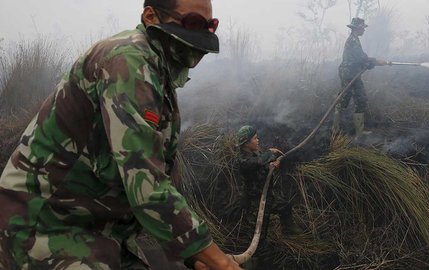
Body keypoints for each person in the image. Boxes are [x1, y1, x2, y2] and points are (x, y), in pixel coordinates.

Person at [0, 0, 241, 269]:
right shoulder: (127, 60)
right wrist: (221, 262)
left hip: (98, 230)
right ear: (151, 16)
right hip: (42, 226)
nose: (204, 35)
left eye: (210, 26)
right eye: (194, 23)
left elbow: (158, 175)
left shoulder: (157, 74)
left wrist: (193, 254)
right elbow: (145, 183)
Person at [235, 126, 301, 238]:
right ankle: (257, 253)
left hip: (266, 196)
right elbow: (256, 163)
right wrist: (270, 153)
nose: (258, 140)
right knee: (259, 232)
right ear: (246, 143)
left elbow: (262, 165)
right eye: (255, 138)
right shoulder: (242, 159)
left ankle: (289, 230)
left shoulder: (255, 153)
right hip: (255, 201)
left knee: (285, 206)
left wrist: (272, 165)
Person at [334, 17, 390, 137]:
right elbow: (361, 58)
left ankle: (359, 132)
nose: (364, 30)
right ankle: (335, 130)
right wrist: (376, 61)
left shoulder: (355, 40)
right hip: (348, 74)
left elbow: (360, 59)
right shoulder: (352, 41)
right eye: (362, 28)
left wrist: (369, 63)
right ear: (357, 28)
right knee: (343, 100)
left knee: (361, 99)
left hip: (354, 73)